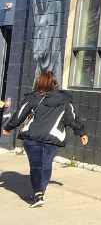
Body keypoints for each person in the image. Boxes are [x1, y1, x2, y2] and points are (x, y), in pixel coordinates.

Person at [2, 70, 88, 206]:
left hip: (32, 138)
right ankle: (40, 191)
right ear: (55, 83)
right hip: (52, 138)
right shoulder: (64, 100)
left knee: (36, 165)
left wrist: (8, 127)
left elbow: (20, 114)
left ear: (39, 82)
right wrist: (81, 133)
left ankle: (38, 193)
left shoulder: (32, 97)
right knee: (46, 164)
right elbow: (72, 118)